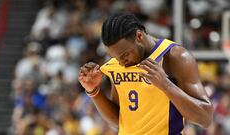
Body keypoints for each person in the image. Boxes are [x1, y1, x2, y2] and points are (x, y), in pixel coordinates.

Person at [78, 13, 213, 135]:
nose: (121, 63)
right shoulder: (119, 63)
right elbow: (119, 122)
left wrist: (166, 85)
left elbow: (205, 119)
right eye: (116, 58)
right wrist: (94, 91)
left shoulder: (175, 57)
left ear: (139, 36)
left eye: (124, 55)